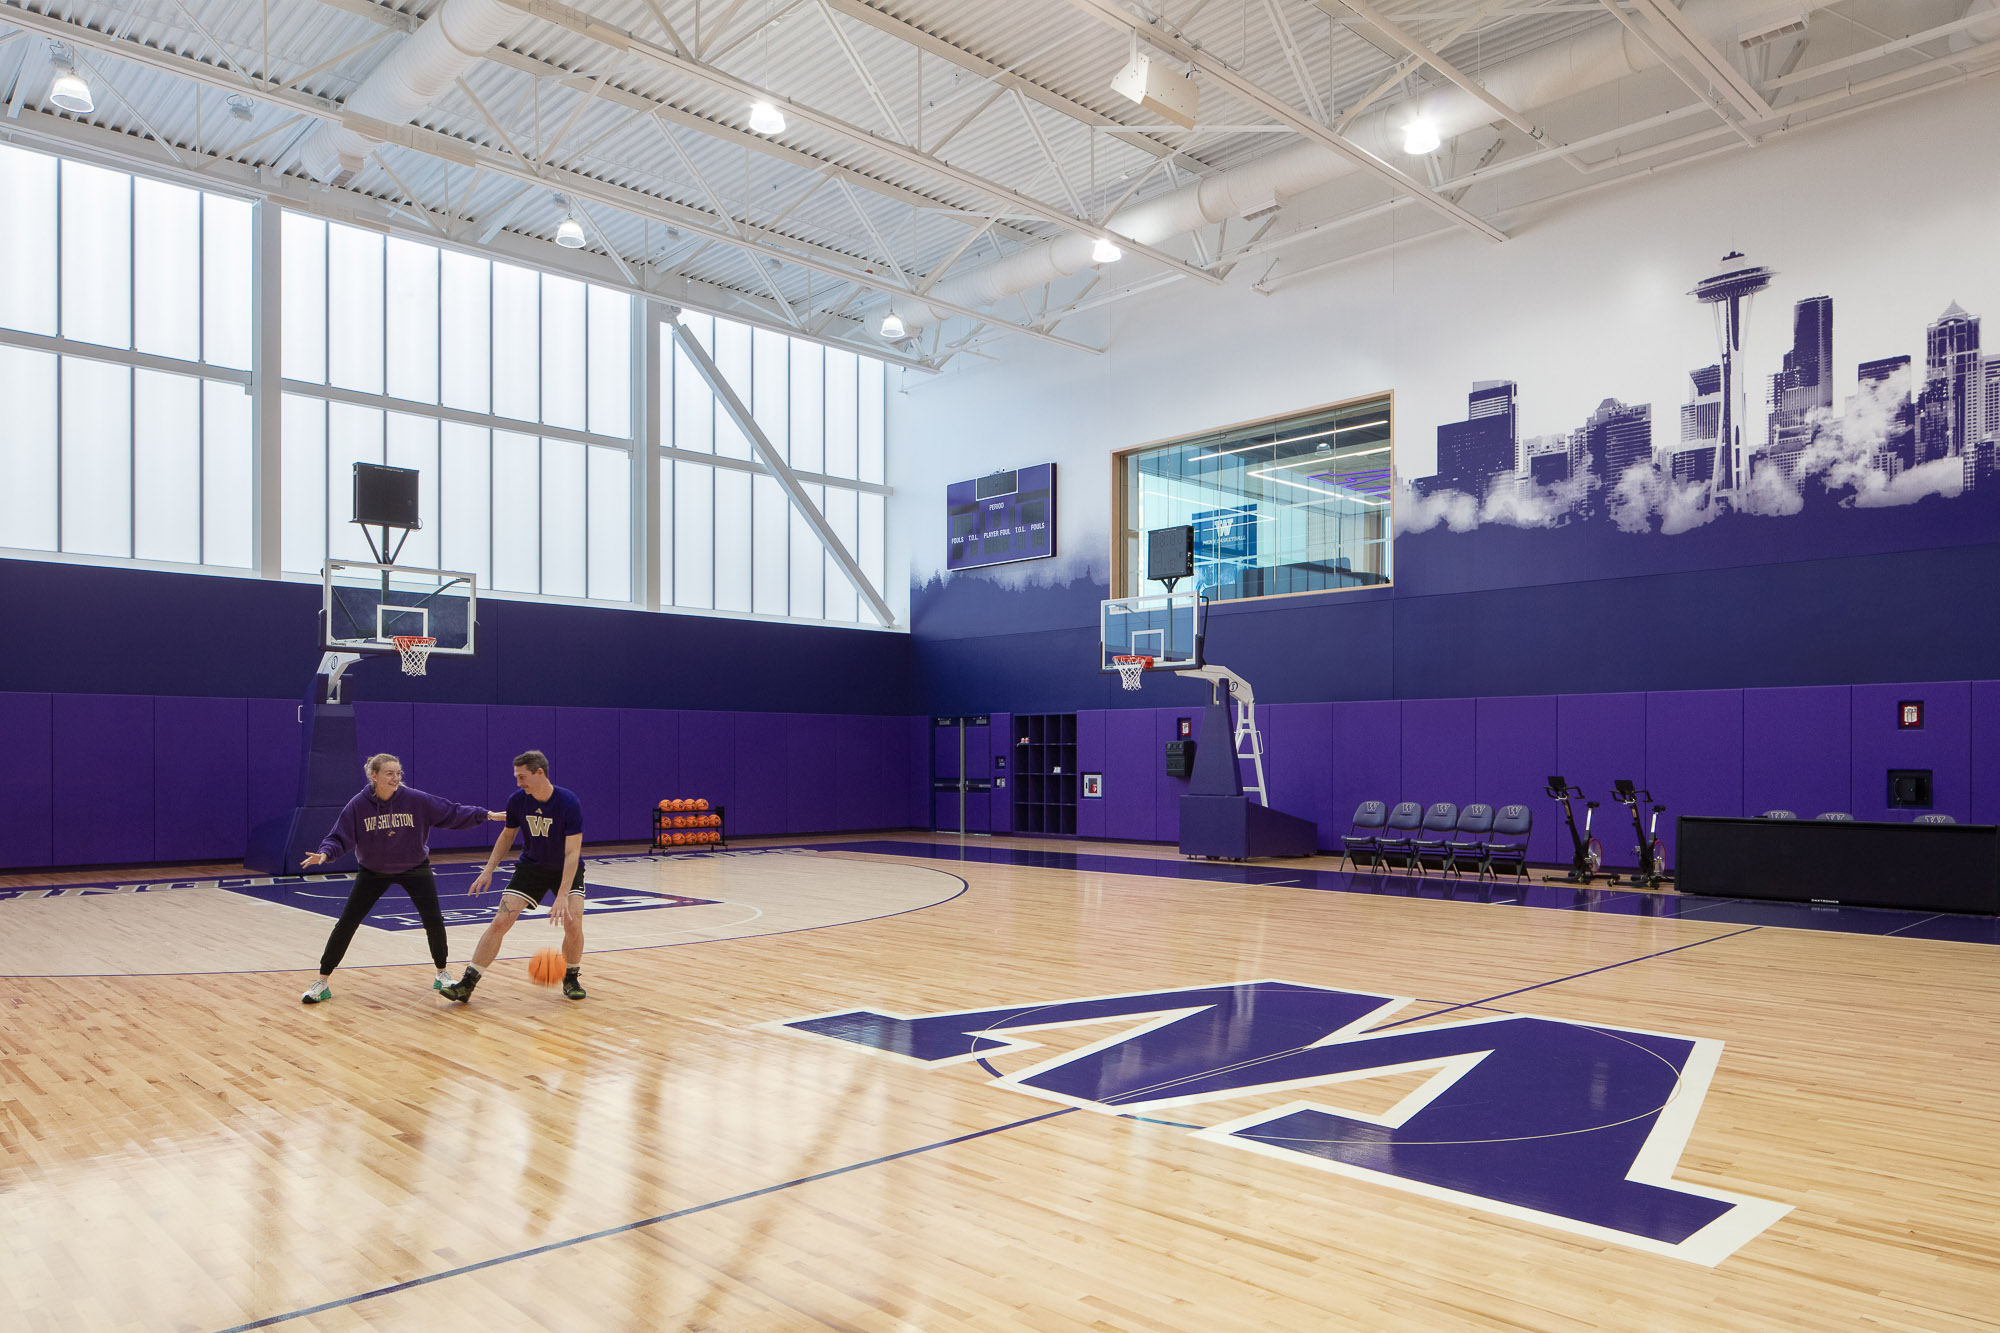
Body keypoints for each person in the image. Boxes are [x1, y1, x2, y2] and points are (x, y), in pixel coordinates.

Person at [298, 753, 503, 1004]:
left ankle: (442, 973)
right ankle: (322, 981)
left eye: (398, 773)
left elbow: (451, 812)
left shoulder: (415, 799)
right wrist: (325, 853)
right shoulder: (358, 805)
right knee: (347, 922)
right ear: (374, 776)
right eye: (389, 773)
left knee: (433, 920)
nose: (396, 778)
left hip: (414, 867)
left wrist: (487, 815)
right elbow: (339, 837)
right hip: (373, 871)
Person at [439, 750, 587, 1003]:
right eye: (516, 777)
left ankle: (571, 977)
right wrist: (488, 869)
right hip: (531, 868)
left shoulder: (568, 802)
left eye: (522, 777)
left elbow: (573, 852)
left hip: (566, 868)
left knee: (573, 923)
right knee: (500, 922)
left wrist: (562, 895)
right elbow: (507, 836)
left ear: (539, 773)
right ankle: (467, 983)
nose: (519, 783)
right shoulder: (518, 800)